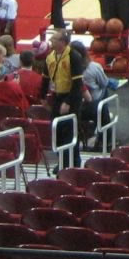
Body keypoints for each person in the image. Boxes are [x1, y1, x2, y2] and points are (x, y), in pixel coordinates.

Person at [45, 30, 84, 161]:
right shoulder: (50, 56)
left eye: (54, 39)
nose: (51, 40)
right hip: (57, 96)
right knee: (57, 130)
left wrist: (68, 102)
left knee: (71, 131)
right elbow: (45, 77)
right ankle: (61, 160)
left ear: (62, 42)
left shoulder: (74, 57)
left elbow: (78, 83)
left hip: (71, 98)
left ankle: (74, 161)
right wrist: (42, 96)